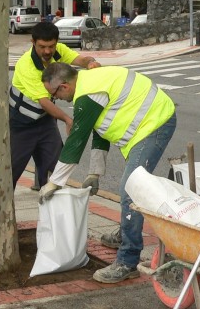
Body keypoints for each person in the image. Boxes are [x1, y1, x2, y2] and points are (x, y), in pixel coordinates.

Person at [39, 62, 177, 284]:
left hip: (155, 124)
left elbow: (76, 140)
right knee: (132, 188)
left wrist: (55, 182)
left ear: (64, 86)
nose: (56, 99)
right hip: (143, 127)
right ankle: (126, 231)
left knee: (130, 191)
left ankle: (128, 261)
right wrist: (95, 173)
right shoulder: (90, 83)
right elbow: (100, 132)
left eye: (53, 94)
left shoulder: (87, 95)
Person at [9, 22, 101, 190]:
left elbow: (80, 59)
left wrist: (90, 62)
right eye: (42, 46)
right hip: (20, 124)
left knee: (58, 170)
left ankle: (52, 211)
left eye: (51, 46)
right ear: (33, 43)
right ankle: (3, 213)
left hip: (45, 122)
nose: (47, 51)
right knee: (10, 174)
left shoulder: (59, 51)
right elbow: (44, 101)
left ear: (56, 42)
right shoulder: (26, 66)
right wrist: (67, 119)